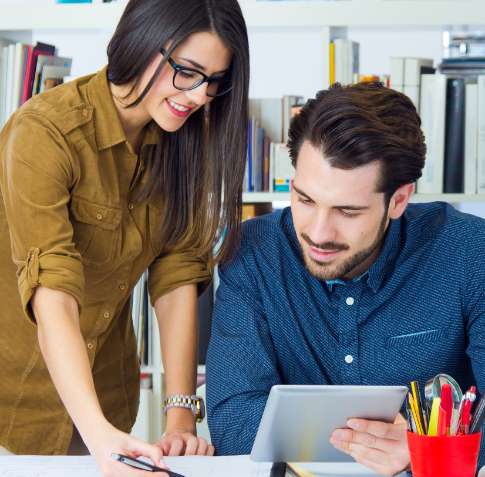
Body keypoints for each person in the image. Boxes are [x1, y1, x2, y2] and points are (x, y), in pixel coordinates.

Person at [0, 0, 249, 475]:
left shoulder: (185, 141)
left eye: (215, 80)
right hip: (14, 408)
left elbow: (177, 275)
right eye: (187, 72)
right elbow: (53, 292)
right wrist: (99, 436)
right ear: (140, 41)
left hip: (109, 402)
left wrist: (180, 416)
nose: (200, 96)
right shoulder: (45, 133)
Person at [206, 82, 485, 475]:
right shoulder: (253, 254)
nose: (319, 233)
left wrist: (423, 451)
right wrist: (386, 443)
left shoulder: (470, 252)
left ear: (399, 200)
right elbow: (233, 421)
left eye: (347, 211)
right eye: (305, 200)